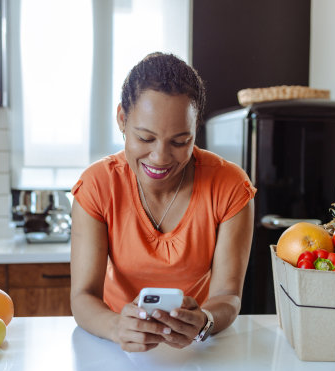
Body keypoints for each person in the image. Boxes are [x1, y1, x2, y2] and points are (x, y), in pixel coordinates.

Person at [70, 52, 256, 352]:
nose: (160, 158)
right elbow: (82, 297)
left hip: (197, 348)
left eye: (180, 141)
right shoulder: (97, 185)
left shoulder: (231, 186)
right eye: (145, 138)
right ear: (122, 119)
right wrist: (117, 327)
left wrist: (204, 321)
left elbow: (228, 296)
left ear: (196, 130)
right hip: (115, 343)